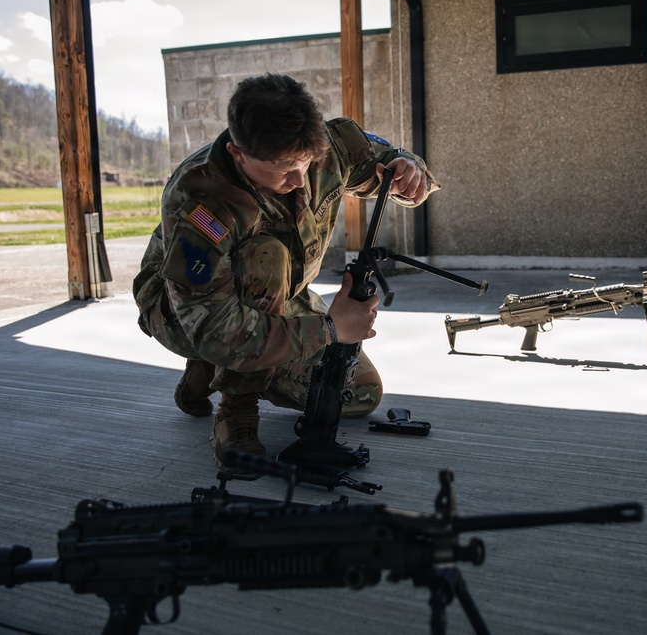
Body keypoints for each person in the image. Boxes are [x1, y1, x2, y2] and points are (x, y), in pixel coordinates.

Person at [132, 73, 438, 469]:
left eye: (305, 165)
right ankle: (236, 409)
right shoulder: (200, 198)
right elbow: (210, 326)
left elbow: (397, 164)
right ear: (238, 154)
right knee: (266, 257)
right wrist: (331, 329)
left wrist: (411, 172)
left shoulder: (328, 146)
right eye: (281, 170)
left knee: (359, 393)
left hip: (279, 299)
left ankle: (210, 370)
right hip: (184, 313)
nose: (299, 183)